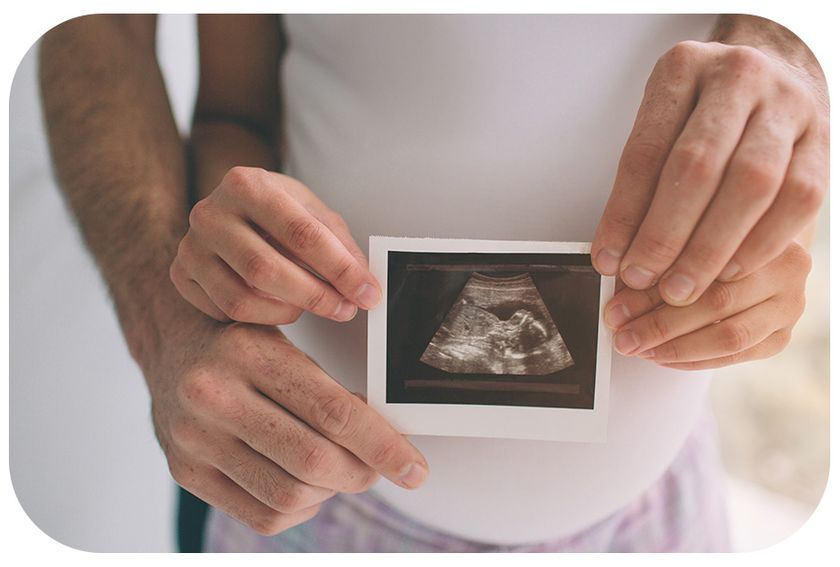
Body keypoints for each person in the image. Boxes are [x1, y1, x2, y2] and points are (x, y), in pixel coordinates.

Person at [39, 14, 827, 552]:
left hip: (657, 518)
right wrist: (187, 300)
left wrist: (793, 58)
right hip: (308, 506)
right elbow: (229, 111)